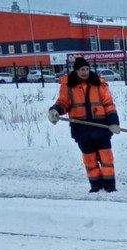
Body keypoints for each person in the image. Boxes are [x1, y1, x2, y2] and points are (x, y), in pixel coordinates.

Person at [48, 56, 121, 192]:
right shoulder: (68, 86)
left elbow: (108, 104)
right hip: (81, 129)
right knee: (90, 160)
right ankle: (95, 186)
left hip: (101, 128)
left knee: (106, 157)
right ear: (76, 71)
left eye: (87, 69)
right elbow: (63, 103)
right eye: (82, 69)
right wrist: (55, 110)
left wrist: (114, 122)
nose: (85, 72)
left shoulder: (99, 83)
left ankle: (110, 186)